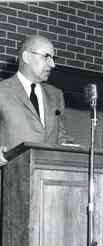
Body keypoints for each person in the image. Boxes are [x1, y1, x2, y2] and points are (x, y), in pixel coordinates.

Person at [0, 35, 68, 166]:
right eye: (47, 57)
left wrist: (71, 146)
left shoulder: (56, 95)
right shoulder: (2, 91)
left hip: (46, 178)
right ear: (26, 57)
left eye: (53, 59)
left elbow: (60, 136)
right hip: (9, 179)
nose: (53, 65)